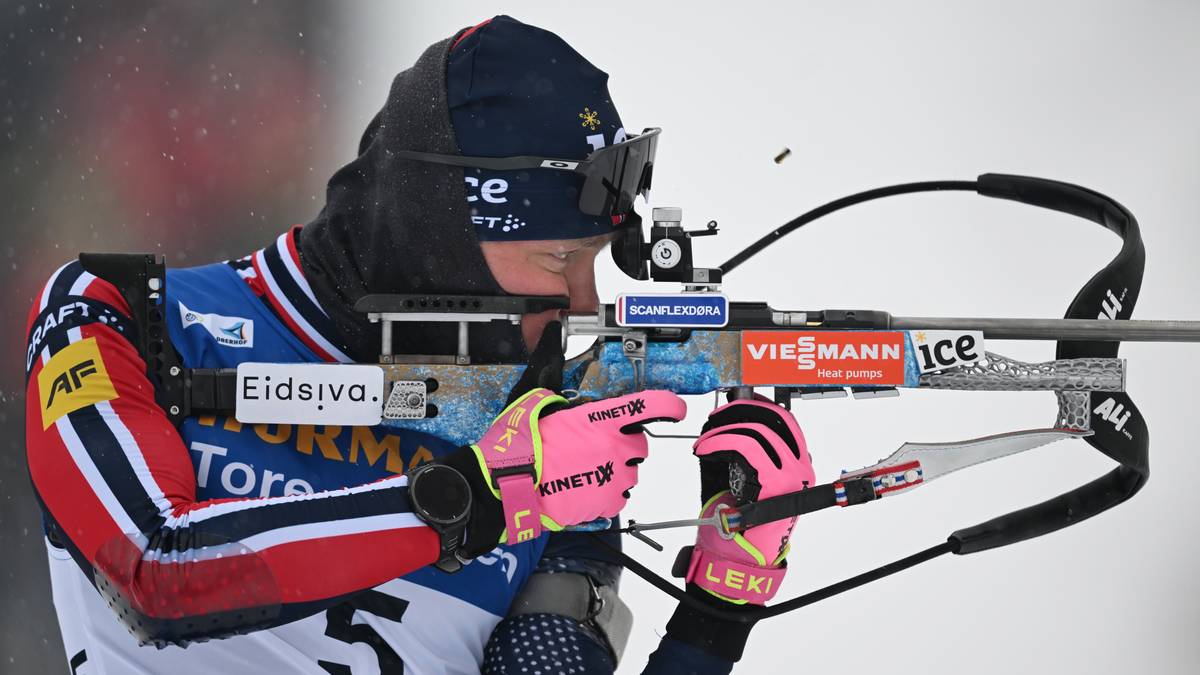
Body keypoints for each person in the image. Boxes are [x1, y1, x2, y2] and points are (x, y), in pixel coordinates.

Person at [24, 16, 813, 674]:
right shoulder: (117, 316)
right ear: (440, 231)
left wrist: (717, 611)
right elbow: (157, 575)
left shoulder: (542, 425)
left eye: (593, 265)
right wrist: (482, 496)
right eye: (558, 260)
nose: (585, 304)